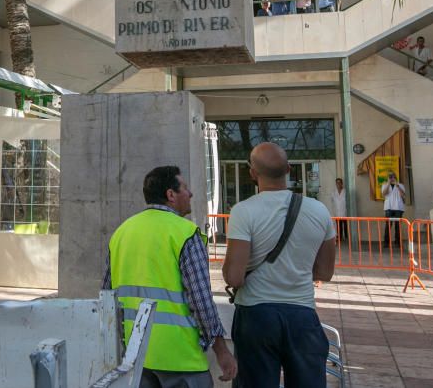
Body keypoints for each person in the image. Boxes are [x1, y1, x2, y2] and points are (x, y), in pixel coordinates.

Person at [103, 166, 237, 387]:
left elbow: (107, 296)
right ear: (170, 195)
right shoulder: (185, 233)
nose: (191, 193)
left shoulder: (122, 232)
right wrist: (221, 351)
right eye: (184, 187)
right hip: (180, 357)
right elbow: (200, 300)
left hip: (136, 356)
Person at [223, 143, 336, 388]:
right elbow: (325, 272)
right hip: (302, 315)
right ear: (289, 169)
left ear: (252, 173)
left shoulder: (243, 212)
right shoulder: (319, 210)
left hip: (256, 315)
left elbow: (234, 278)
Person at [380, 172, 405, 248]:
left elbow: (402, 195)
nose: (392, 178)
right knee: (388, 225)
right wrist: (388, 183)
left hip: (398, 208)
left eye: (393, 177)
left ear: (396, 177)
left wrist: (398, 186)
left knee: (398, 226)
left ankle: (398, 243)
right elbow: (384, 194)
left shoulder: (400, 185)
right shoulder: (384, 185)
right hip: (389, 208)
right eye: (390, 177)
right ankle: (386, 243)